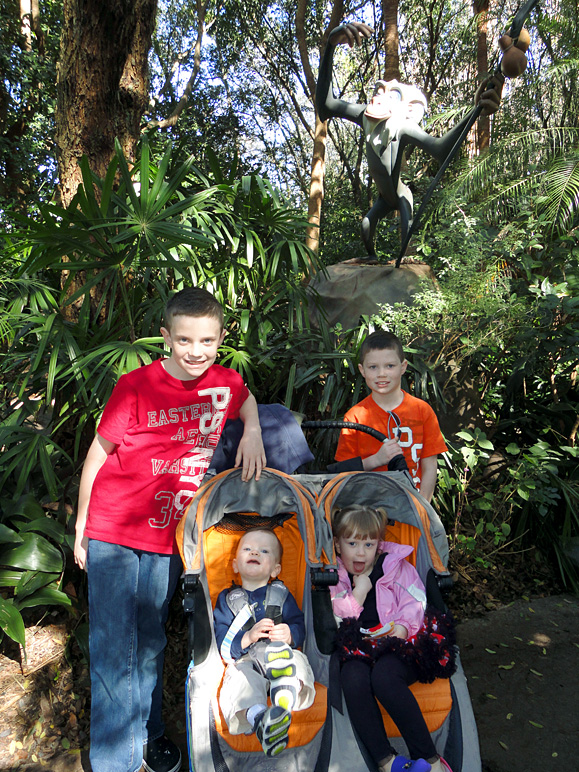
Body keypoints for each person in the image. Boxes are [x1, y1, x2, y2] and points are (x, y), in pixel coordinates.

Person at [74, 287, 266, 772]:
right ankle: (113, 760)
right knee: (115, 646)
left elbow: (246, 400)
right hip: (113, 530)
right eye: (184, 340)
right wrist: (81, 527)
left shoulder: (224, 383)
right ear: (165, 338)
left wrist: (255, 429)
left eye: (206, 340)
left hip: (167, 537)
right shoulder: (136, 386)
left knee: (152, 640)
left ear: (221, 338)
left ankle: (148, 735)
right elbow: (97, 456)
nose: (196, 351)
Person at [330, 505, 456, 772]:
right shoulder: (336, 575)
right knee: (352, 677)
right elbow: (336, 613)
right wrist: (359, 593)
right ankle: (387, 761)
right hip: (358, 647)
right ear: (338, 546)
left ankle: (432, 761)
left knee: (385, 678)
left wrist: (402, 627)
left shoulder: (396, 568)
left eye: (368, 543)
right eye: (352, 543)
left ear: (379, 544)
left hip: (398, 643)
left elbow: (415, 601)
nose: (360, 551)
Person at [213, 528, 316, 757]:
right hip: (247, 660)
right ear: (235, 565)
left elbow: (299, 626)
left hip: (280, 654)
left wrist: (289, 634)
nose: (255, 553)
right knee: (239, 680)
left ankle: (283, 703)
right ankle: (262, 719)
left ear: (275, 569)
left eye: (264, 550)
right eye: (247, 549)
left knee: (297, 660)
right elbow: (223, 643)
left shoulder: (282, 594)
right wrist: (247, 637)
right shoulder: (227, 600)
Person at [334, 330, 447, 501]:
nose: (381, 374)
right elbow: (345, 470)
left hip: (413, 506)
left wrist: (423, 508)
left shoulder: (422, 411)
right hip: (369, 512)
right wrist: (376, 460)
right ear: (362, 370)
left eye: (390, 366)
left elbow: (430, 464)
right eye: (373, 367)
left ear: (403, 367)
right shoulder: (354, 417)